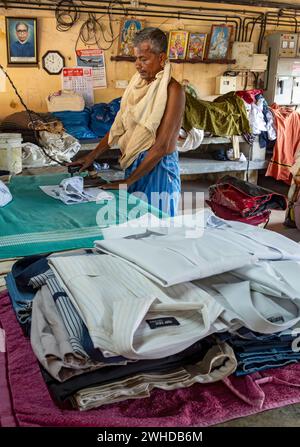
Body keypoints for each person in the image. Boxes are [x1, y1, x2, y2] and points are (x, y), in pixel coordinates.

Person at [69, 27, 185, 216]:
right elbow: (119, 126)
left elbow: (162, 146)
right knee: (132, 225)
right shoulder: (135, 84)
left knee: (156, 227)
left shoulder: (174, 91)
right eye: (136, 59)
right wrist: (91, 156)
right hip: (134, 164)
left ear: (162, 58)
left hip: (158, 169)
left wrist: (128, 182)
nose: (138, 65)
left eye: (144, 59)